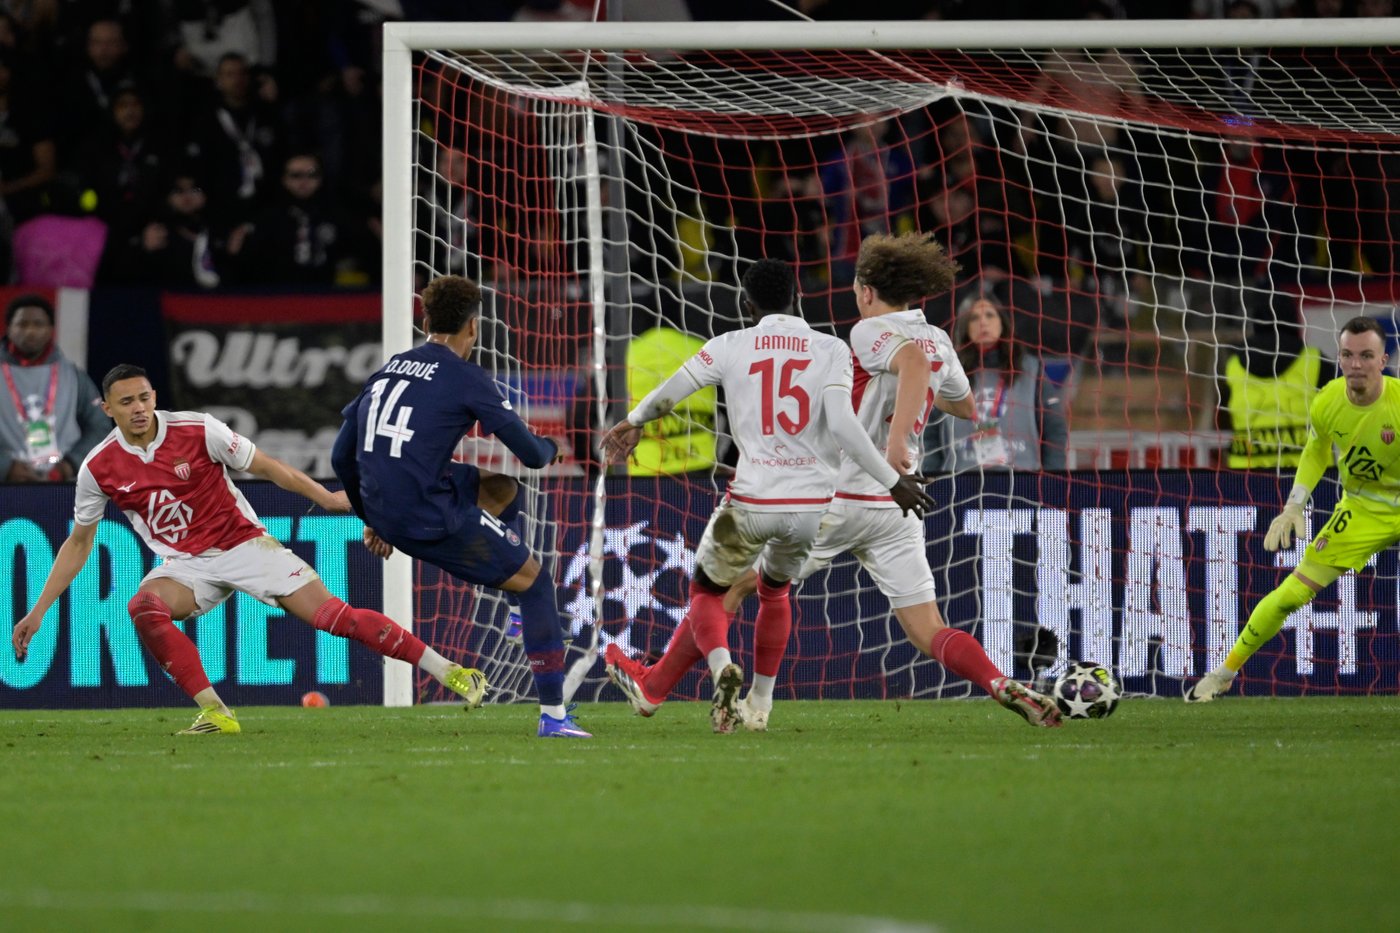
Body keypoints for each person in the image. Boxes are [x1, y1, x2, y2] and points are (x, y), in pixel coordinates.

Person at [608, 236, 1063, 731]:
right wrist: (909, 422)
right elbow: (964, 404)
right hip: (896, 508)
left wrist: (892, 450)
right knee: (928, 629)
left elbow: (906, 367)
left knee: (729, 589)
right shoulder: (939, 339)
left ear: (867, 291)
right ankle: (998, 682)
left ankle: (661, 687)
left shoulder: (869, 333)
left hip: (844, 493)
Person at [10, 364, 488, 735]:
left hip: (245, 545)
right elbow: (79, 542)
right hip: (186, 565)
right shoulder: (99, 467)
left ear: (154, 396)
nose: (138, 408)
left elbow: (268, 467)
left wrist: (324, 499)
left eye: (144, 397)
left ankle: (450, 672)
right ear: (106, 407)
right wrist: (39, 610)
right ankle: (216, 713)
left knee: (333, 618)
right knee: (143, 606)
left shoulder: (198, 429)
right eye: (126, 402)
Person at [601, 257, 937, 733]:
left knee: (706, 593)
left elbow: (669, 394)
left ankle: (721, 670)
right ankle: (760, 704)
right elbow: (843, 425)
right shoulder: (832, 349)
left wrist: (634, 422)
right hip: (808, 509)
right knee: (775, 593)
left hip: (751, 502)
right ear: (798, 297)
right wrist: (892, 480)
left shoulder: (729, 345)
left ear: (745, 302)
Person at [331, 274, 591, 739]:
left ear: (426, 320)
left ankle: (514, 606)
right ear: (474, 327)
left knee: (501, 487)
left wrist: (372, 516)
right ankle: (553, 716)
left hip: (388, 505)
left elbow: (339, 456)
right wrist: (552, 447)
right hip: (427, 515)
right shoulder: (467, 378)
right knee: (536, 584)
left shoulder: (391, 366)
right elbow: (531, 455)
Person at [1188, 316, 1398, 702]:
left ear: (1383, 360)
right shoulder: (1328, 400)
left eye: (1366, 355)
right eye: (1348, 355)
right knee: (1289, 595)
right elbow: (1316, 451)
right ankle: (1224, 673)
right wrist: (1293, 507)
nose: (1356, 364)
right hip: (1364, 510)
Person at [922, 291, 1068, 473]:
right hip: (960, 484)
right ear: (965, 327)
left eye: (990, 315)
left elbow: (1055, 430)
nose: (983, 322)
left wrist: (1052, 480)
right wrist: (932, 476)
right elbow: (928, 432)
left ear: (1002, 322)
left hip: (1024, 481)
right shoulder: (947, 373)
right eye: (974, 318)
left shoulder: (1031, 370)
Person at [1, 294, 109, 483]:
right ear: (9, 328)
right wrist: (4, 466)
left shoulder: (74, 376)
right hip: (6, 486)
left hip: (62, 486)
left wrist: (70, 465)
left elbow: (100, 427)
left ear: (51, 329)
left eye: (38, 324)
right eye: (22, 324)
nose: (30, 331)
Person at [1221, 295, 1335, 470]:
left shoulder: (1233, 364)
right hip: (1309, 477)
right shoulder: (1316, 360)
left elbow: (1222, 417)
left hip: (1246, 475)